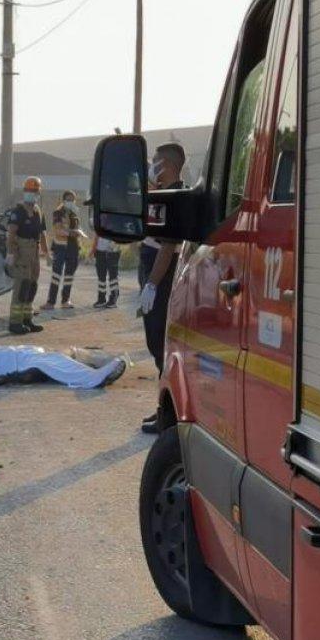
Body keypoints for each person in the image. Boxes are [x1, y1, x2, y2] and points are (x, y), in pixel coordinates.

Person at [141, 142, 187, 433]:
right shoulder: (162, 193)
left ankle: (166, 415)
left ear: (167, 165)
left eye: (155, 162)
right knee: (154, 342)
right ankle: (161, 409)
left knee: (160, 343)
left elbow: (168, 247)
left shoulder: (176, 197)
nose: (152, 166)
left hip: (162, 275)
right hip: (153, 271)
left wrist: (152, 285)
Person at [5, 176, 50, 335]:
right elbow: (11, 234)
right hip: (21, 250)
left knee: (31, 286)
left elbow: (42, 234)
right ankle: (15, 322)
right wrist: (11, 254)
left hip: (34, 250)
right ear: (24, 192)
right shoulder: (18, 212)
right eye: (30, 191)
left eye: (35, 191)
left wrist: (47, 253)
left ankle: (27, 319)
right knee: (21, 286)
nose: (32, 194)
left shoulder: (38, 211)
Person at [42, 191, 83, 310]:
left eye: (73, 200)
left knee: (69, 275)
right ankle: (50, 302)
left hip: (73, 247)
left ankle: (66, 300)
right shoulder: (58, 212)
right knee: (56, 275)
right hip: (60, 247)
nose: (71, 202)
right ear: (64, 200)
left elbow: (78, 228)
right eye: (69, 200)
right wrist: (71, 233)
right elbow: (58, 230)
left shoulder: (75, 213)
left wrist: (79, 233)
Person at [90, 233, 121, 308]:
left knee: (113, 277)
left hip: (113, 251)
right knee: (101, 277)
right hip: (100, 251)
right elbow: (97, 235)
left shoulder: (117, 221)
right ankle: (101, 299)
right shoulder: (100, 222)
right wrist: (93, 249)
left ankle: (113, 300)